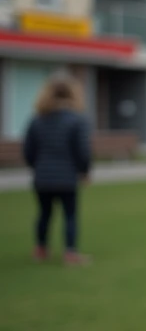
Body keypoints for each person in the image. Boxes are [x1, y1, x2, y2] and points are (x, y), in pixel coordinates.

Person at [23, 72, 92, 266]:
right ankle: (70, 253)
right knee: (70, 215)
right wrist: (84, 171)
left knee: (44, 213)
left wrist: (37, 167)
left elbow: (28, 150)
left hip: (42, 177)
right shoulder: (76, 120)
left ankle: (41, 249)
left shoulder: (37, 120)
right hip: (67, 177)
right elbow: (82, 150)